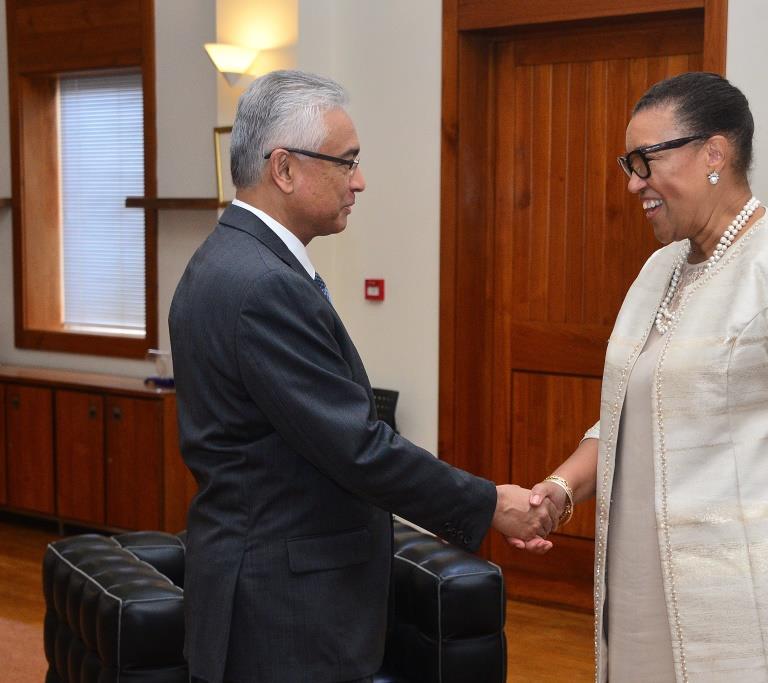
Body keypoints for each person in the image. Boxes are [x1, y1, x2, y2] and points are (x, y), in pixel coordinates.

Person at [169, 70, 556, 683]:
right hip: (285, 612)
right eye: (346, 162)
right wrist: (489, 504)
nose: (360, 181)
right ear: (285, 168)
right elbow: (356, 448)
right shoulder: (263, 283)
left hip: (261, 588)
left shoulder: (226, 258)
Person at [520, 72, 768, 681]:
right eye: (627, 164)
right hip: (636, 586)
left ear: (714, 153)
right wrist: (559, 491)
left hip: (746, 604)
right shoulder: (658, 269)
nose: (634, 182)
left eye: (645, 161)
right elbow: (627, 413)